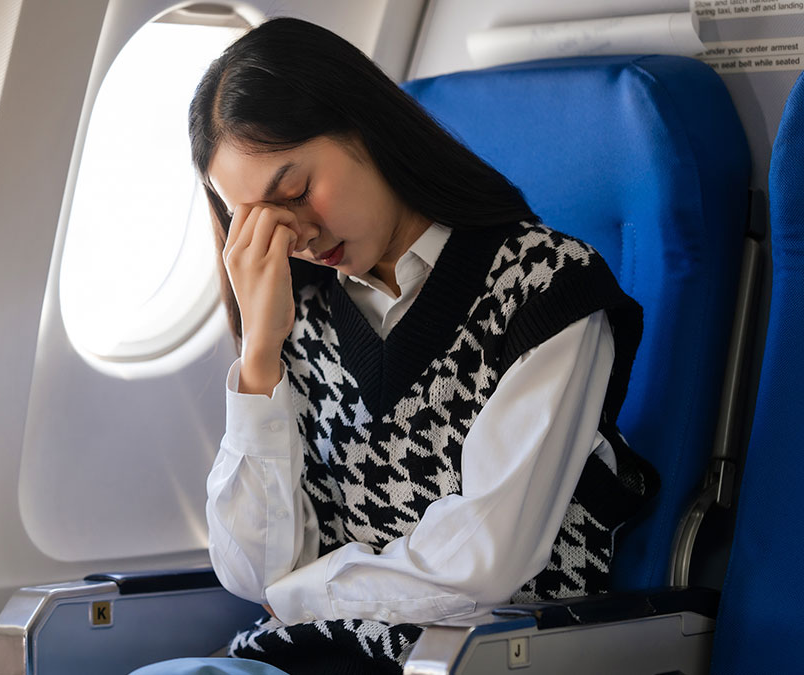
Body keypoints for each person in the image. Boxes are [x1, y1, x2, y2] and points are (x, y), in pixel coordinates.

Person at [134, 16, 656, 675]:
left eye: (294, 192)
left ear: (364, 128)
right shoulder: (300, 317)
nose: (293, 235)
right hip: (315, 657)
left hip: (485, 660)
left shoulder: (545, 290)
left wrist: (301, 592)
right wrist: (260, 355)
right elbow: (250, 570)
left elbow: (480, 564)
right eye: (259, 222)